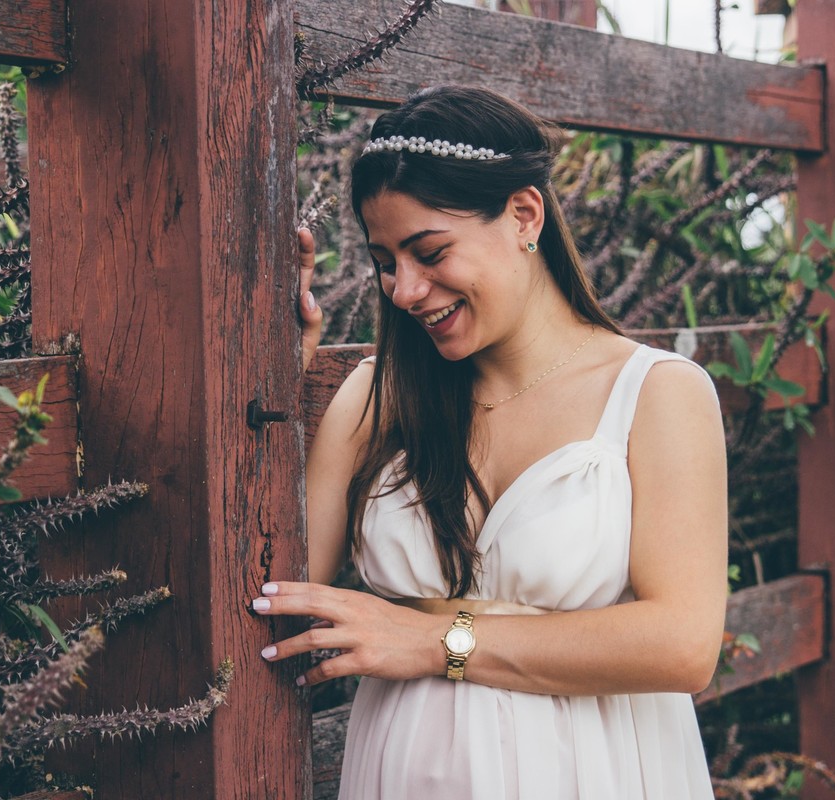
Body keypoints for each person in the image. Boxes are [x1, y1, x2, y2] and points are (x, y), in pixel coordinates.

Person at [253, 85, 727, 799]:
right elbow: (274, 603)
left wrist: (434, 640)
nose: (404, 291)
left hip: (595, 774)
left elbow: (683, 646)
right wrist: (265, 375)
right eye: (385, 261)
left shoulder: (657, 392)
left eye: (430, 251)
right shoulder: (374, 400)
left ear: (524, 215)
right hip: (403, 775)